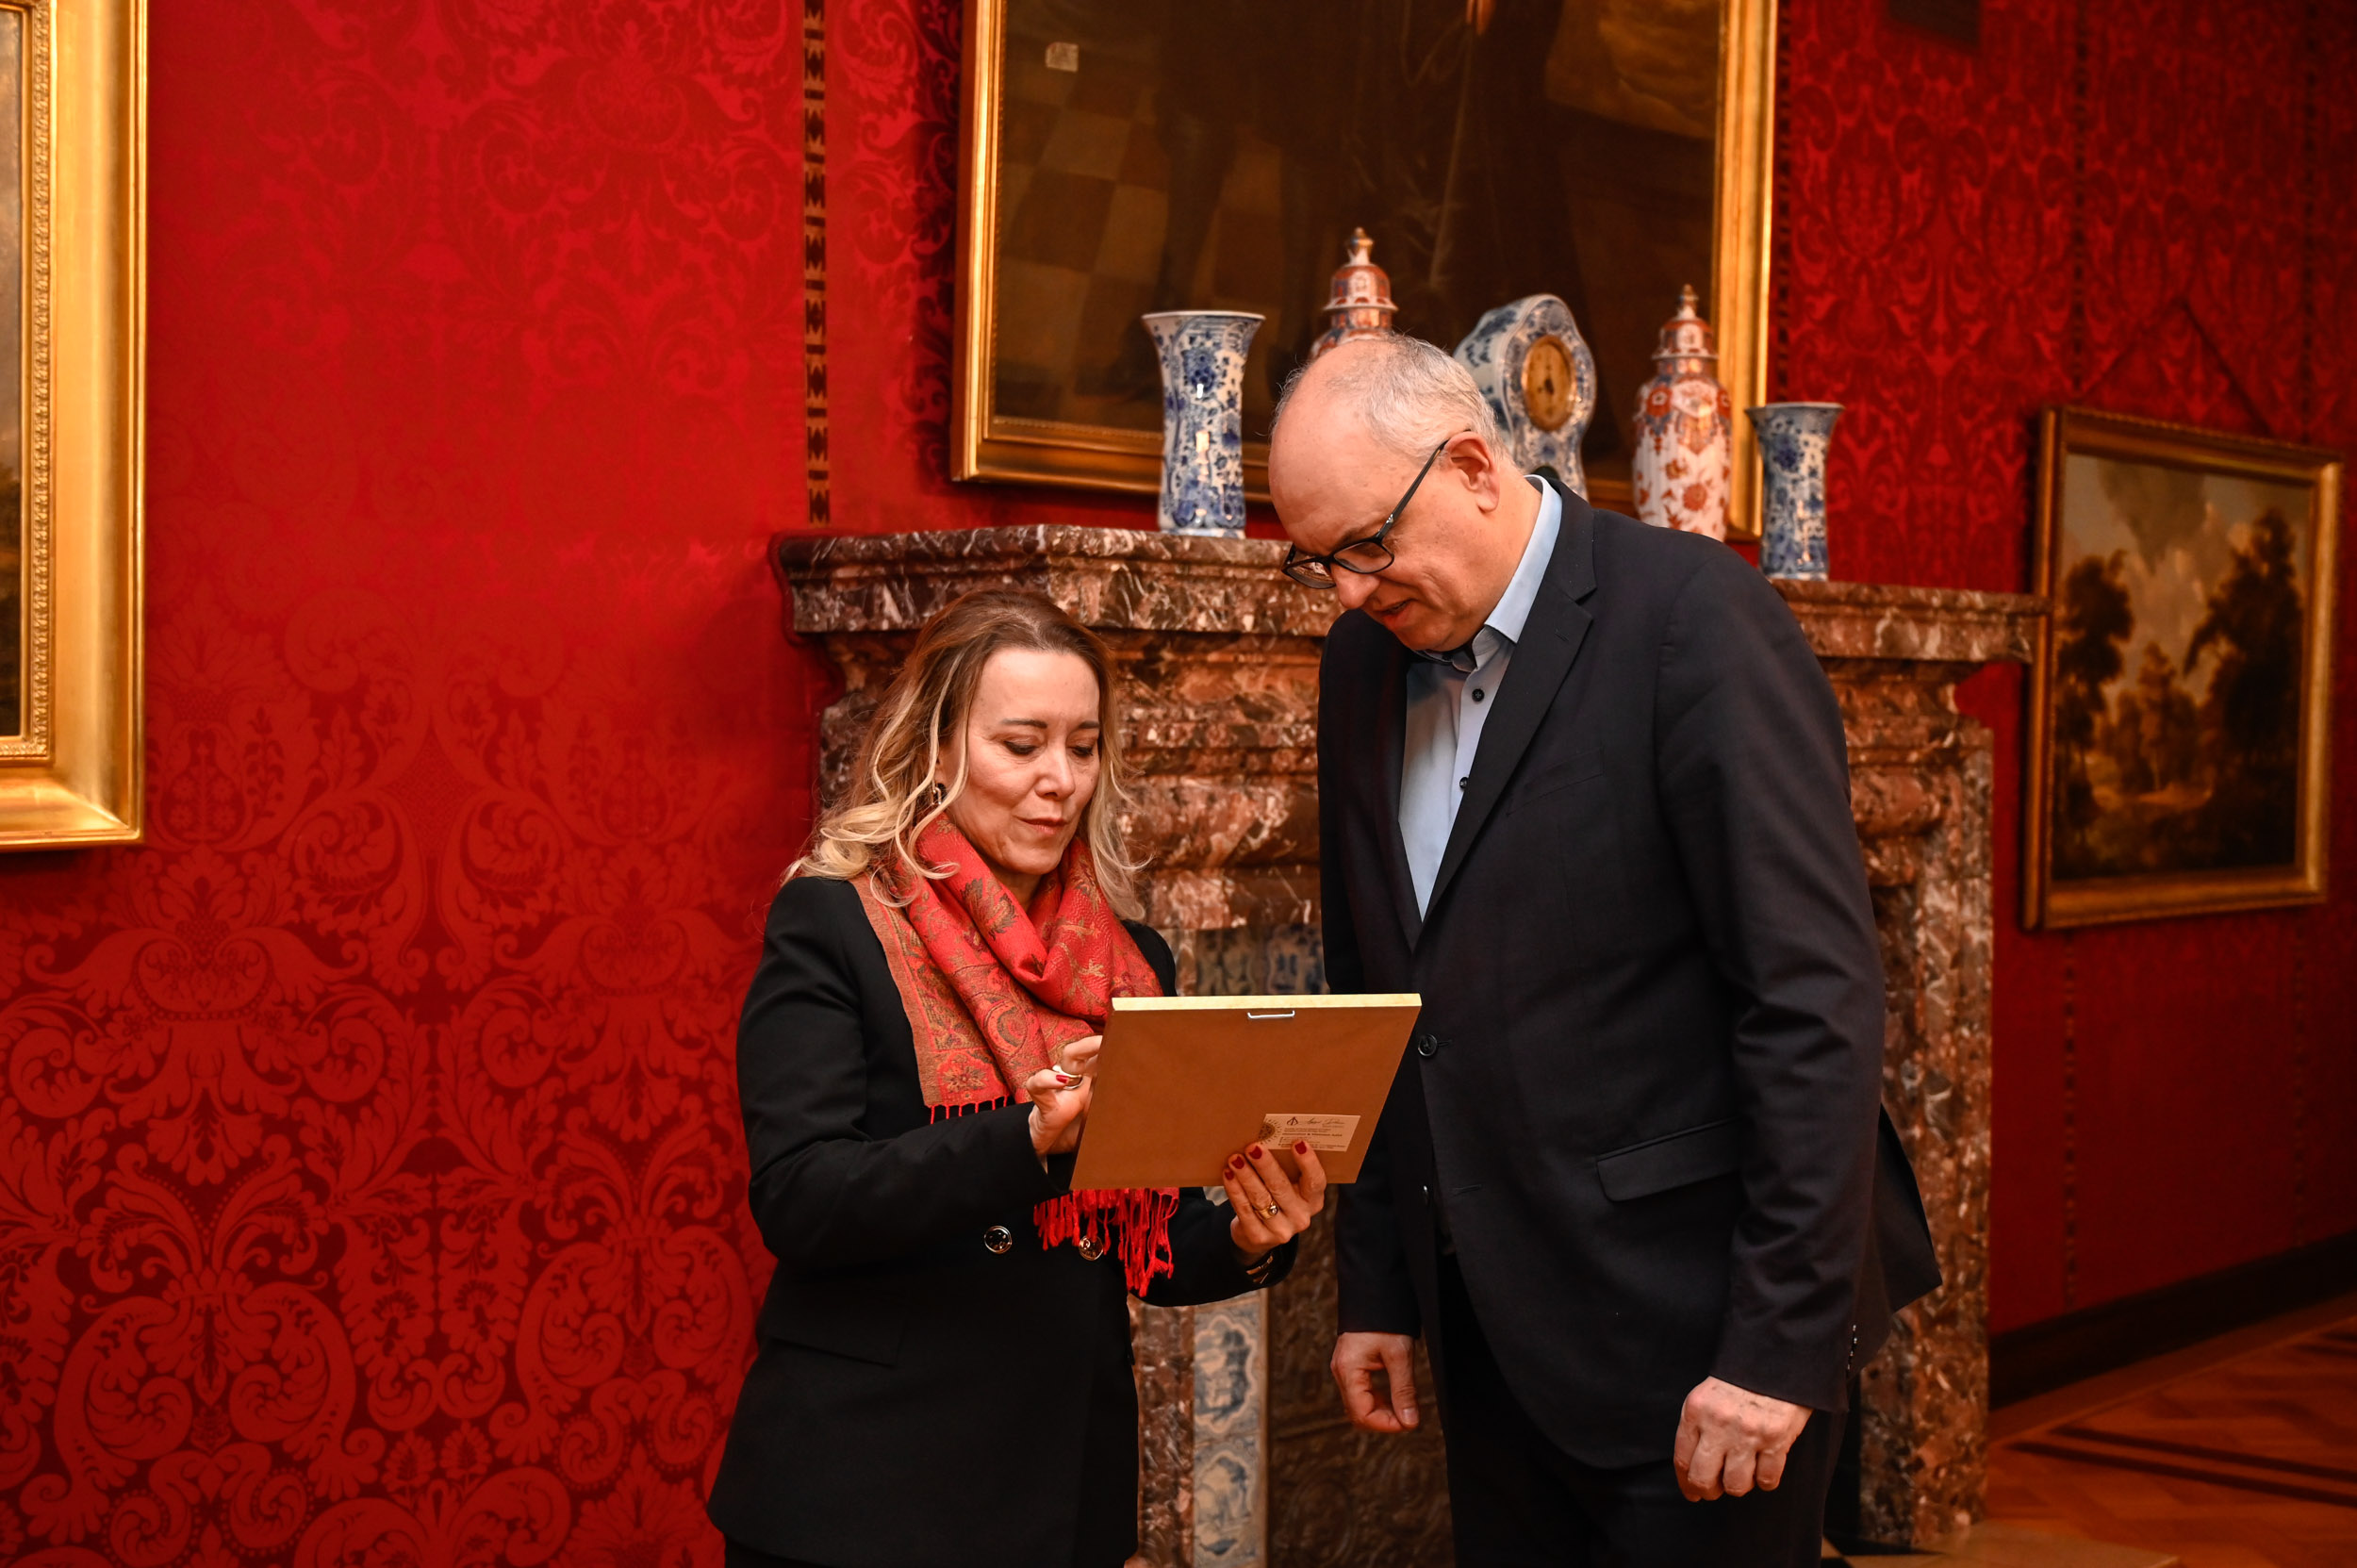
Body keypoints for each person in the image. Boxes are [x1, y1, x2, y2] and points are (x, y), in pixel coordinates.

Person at [1267, 335, 1939, 1567]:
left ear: (1472, 462)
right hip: (1493, 1327)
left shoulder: (1696, 623)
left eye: (1367, 542)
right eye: (1320, 561)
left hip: (1697, 1333)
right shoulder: (1363, 659)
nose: (1351, 587)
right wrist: (1379, 1280)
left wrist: (1774, 1345)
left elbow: (1812, 1003)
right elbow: (1372, 993)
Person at [708, 588, 1327, 1568]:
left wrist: (1250, 1238)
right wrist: (1028, 1140)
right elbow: (803, 1198)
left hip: (1057, 1493)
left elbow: (1137, 1240)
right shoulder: (836, 925)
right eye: (1022, 743)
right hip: (863, 1494)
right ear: (935, 750)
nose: (1060, 781)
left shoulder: (1135, 960)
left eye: (1082, 746)